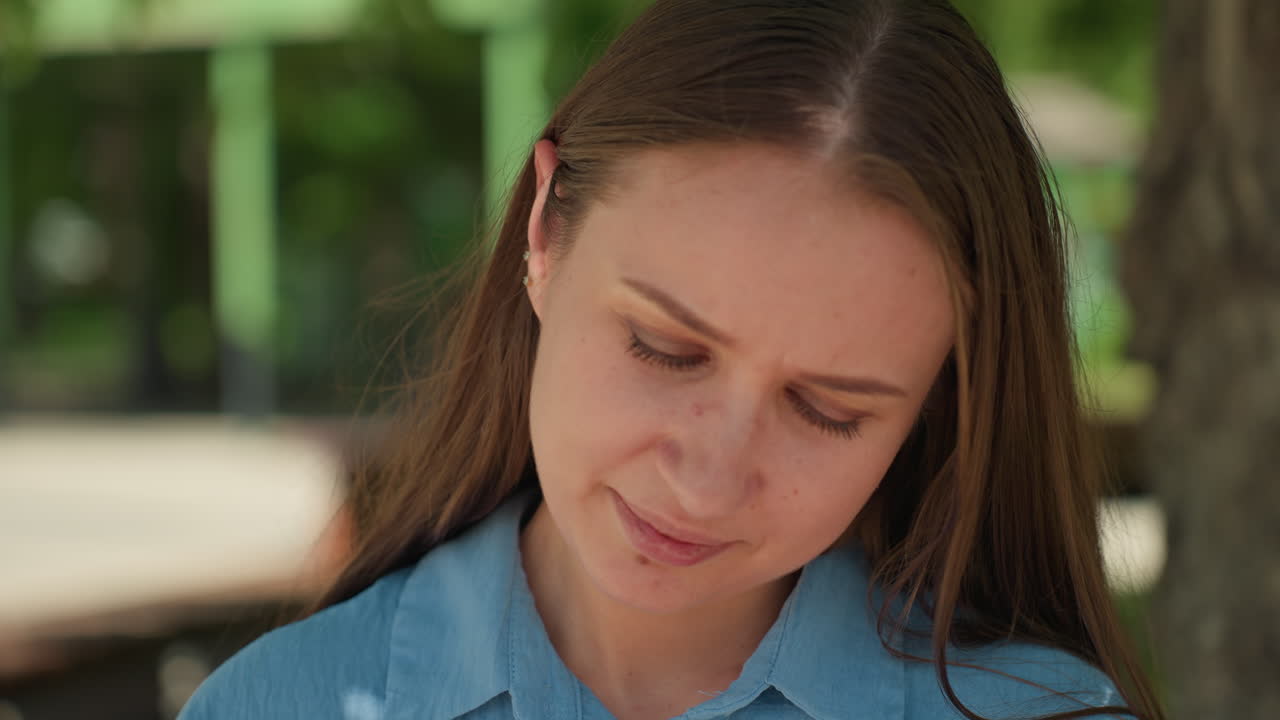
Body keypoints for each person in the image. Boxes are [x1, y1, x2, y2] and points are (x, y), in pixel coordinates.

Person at [179, 1, 1164, 718]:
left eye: (827, 409)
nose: (704, 481)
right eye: (663, 348)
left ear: (937, 404)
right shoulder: (275, 705)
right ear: (543, 234)